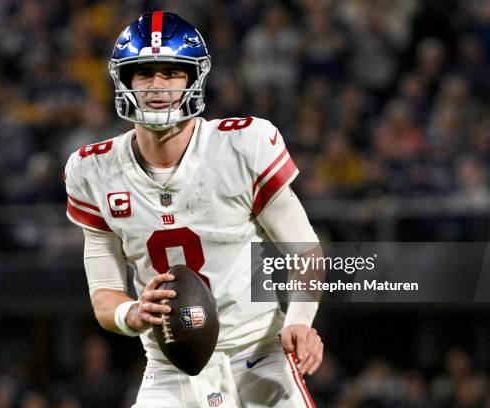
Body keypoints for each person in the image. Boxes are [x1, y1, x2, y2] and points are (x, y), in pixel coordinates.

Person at [64, 11, 323, 408]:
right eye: (144, 73)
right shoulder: (93, 170)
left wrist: (300, 323)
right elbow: (104, 296)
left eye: (171, 73)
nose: (157, 86)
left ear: (193, 78)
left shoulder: (242, 145)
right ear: (125, 80)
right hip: (171, 365)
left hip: (258, 352)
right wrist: (133, 313)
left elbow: (305, 252)